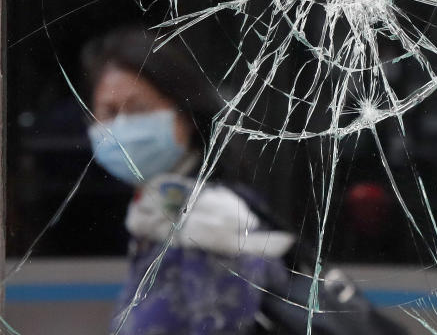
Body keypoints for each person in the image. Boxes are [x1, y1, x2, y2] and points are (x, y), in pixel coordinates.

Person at [83, 26, 294, 335]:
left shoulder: (212, 221)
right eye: (109, 111)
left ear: (185, 115)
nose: (121, 126)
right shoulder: (156, 218)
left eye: (139, 109)